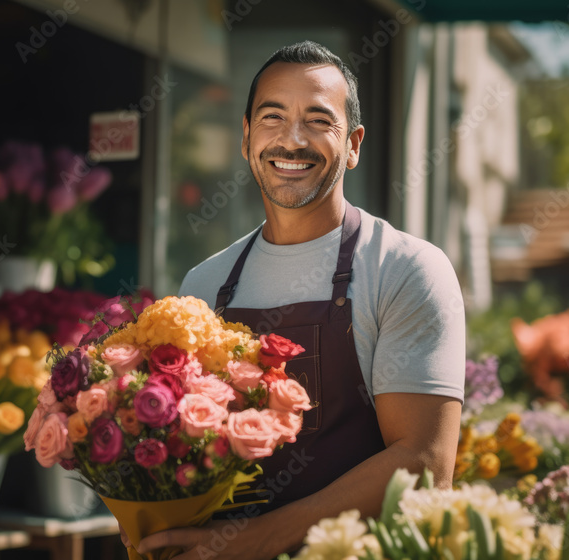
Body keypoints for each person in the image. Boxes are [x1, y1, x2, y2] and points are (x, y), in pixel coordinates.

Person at [134, 41, 465, 559]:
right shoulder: (203, 285)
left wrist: (253, 542)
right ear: (245, 138)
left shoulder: (405, 269)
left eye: (317, 120)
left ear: (353, 144)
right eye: (272, 117)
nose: (291, 140)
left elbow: (424, 464)